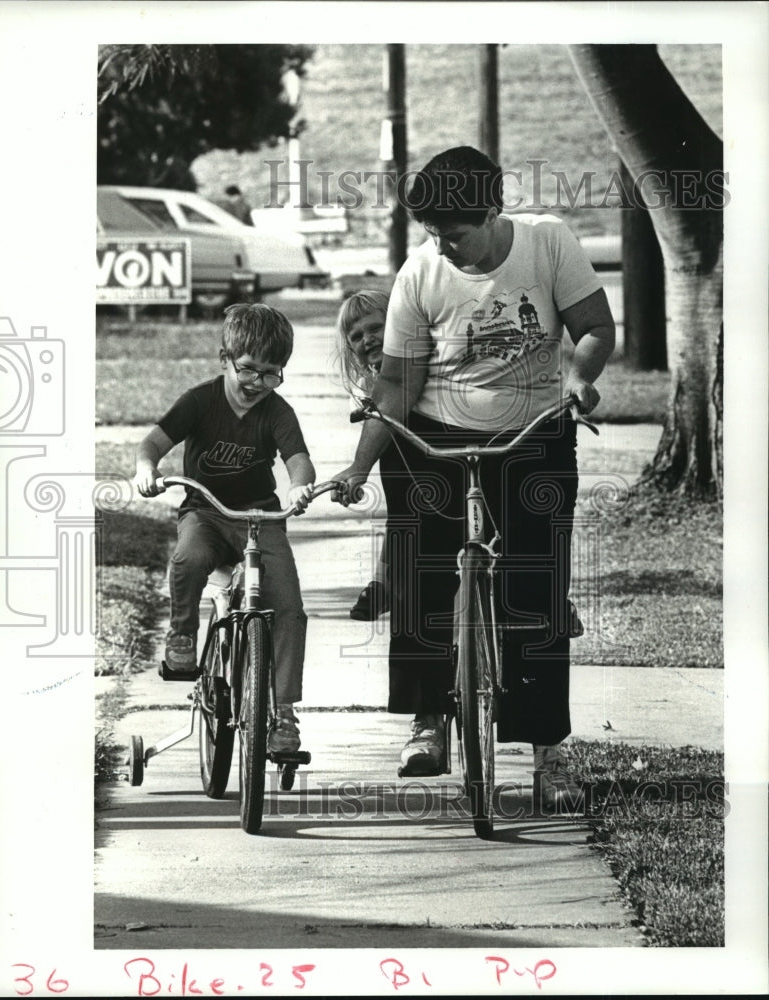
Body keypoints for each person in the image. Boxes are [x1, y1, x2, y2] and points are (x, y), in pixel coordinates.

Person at [332, 146, 615, 808]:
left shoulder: (548, 243)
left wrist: (580, 378)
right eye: (432, 234)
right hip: (434, 440)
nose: (443, 247)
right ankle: (426, 719)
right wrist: (360, 463)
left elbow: (595, 327)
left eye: (453, 233)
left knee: (536, 589)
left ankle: (549, 751)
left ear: (491, 211)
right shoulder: (421, 273)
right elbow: (398, 384)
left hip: (533, 437)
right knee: (419, 571)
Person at [134, 302, 315, 754]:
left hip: (259, 518)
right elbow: (153, 442)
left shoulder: (278, 412)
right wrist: (145, 468)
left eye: (271, 373)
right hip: (206, 512)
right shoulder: (201, 400)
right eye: (248, 369)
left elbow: (298, 459)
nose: (257, 383)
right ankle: (181, 635)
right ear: (224, 359)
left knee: (289, 607)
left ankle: (284, 714)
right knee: (188, 557)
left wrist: (299, 487)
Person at [334, 290, 392, 620]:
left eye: (375, 328)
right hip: (414, 470)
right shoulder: (369, 383)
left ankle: (548, 597)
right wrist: (359, 469)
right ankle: (384, 582)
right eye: (356, 336)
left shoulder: (421, 360)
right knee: (404, 513)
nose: (367, 340)